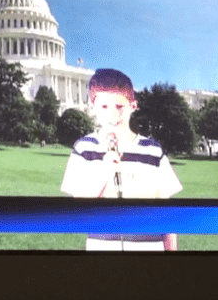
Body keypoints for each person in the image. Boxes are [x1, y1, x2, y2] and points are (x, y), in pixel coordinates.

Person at [60, 68, 182, 251]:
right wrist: (104, 172)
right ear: (92, 107)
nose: (112, 115)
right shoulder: (84, 148)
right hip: (102, 248)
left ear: (133, 106)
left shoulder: (153, 150)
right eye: (104, 107)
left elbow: (167, 213)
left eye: (119, 107)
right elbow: (80, 207)